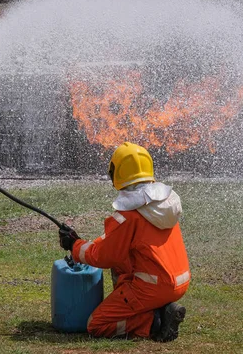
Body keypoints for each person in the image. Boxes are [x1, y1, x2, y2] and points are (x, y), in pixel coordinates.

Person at [58, 142, 190, 342]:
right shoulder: (163, 205)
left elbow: (105, 256)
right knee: (123, 260)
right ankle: (159, 307)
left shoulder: (129, 215)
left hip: (152, 287)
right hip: (178, 281)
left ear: (116, 173)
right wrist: (80, 242)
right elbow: (114, 243)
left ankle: (157, 320)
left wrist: (74, 246)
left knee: (97, 324)